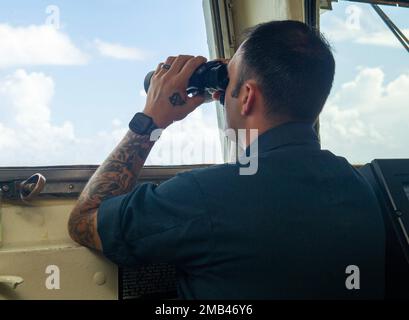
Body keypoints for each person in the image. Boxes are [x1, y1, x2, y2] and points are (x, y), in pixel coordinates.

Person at [68, 20, 385, 299]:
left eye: (229, 81)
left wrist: (150, 119)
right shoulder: (360, 188)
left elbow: (84, 219)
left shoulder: (203, 197)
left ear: (247, 97)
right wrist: (237, 75)